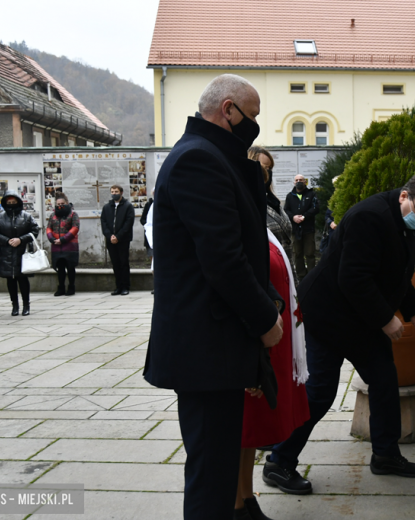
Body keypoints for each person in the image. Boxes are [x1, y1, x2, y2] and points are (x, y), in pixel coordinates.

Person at [142, 73, 285, 520]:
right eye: (252, 116)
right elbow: (223, 260)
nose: (255, 126)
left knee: (218, 468)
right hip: (205, 348)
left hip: (213, 345)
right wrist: (266, 321)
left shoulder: (210, 155)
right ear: (228, 110)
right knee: (211, 473)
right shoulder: (198, 160)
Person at [264, 173, 415, 494]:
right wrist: (386, 318)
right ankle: (279, 462)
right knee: (320, 391)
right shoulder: (369, 217)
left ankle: (386, 455)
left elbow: (398, 274)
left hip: (360, 317)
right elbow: (354, 278)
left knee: (385, 380)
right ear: (404, 196)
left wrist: (414, 308)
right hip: (327, 314)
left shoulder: (406, 220)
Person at [235, 228, 310, 520]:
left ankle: (245, 498)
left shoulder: (257, 215)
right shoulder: (230, 212)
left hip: (265, 341)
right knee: (239, 432)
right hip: (247, 344)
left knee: (249, 434)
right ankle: (235, 506)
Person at [0, 191, 40, 316]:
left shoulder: (26, 216)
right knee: (10, 280)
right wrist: (7, 241)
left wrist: (21, 240)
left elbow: (35, 230)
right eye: (9, 202)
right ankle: (15, 306)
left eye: (14, 202)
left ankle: (26, 305)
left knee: (23, 279)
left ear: (18, 202)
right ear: (5, 203)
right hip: (6, 252)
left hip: (22, 251)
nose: (11, 204)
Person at [248, 147, 294, 264]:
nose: (267, 172)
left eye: (270, 168)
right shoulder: (248, 202)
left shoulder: (273, 201)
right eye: (264, 167)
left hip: (286, 271)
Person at [100, 185, 135, 295]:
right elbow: (104, 223)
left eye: (116, 191)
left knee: (123, 262)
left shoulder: (128, 206)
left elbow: (128, 223)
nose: (114, 193)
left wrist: (118, 236)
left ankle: (125, 286)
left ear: (121, 192)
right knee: (115, 263)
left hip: (123, 239)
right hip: (110, 240)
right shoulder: (106, 207)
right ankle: (118, 286)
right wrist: (110, 236)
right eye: (112, 191)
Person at [284, 174, 318, 281]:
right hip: (295, 230)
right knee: (297, 253)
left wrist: (304, 216)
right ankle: (301, 276)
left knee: (310, 253)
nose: (299, 181)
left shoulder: (311, 194)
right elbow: (286, 210)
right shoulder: (290, 196)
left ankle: (312, 276)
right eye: (297, 180)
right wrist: (293, 217)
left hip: (308, 229)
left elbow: (315, 208)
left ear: (305, 182)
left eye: (301, 180)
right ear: (294, 182)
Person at [47, 193, 79, 296]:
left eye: (62, 203)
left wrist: (63, 239)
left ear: (66, 203)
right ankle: (61, 287)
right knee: (60, 268)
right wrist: (52, 239)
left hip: (69, 245)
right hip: (56, 245)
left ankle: (71, 287)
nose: (60, 205)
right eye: (58, 204)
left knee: (70, 267)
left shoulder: (73, 214)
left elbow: (75, 228)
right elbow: (49, 228)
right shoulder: (53, 215)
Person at [140, 189, 154, 259]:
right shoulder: (149, 205)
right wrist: (149, 227)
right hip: (151, 234)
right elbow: (143, 219)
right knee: (152, 256)